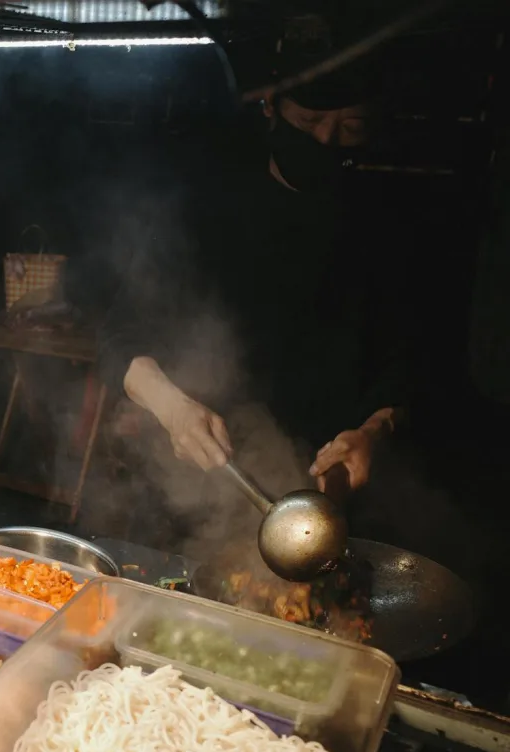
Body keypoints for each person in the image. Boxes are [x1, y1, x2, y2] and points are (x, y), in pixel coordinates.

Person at [98, 48, 410, 520]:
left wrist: (373, 432)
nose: (325, 140)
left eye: (351, 128)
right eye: (308, 121)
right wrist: (174, 408)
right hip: (201, 487)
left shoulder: (391, 222)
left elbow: (411, 363)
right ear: (271, 107)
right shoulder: (204, 206)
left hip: (337, 495)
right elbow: (120, 338)